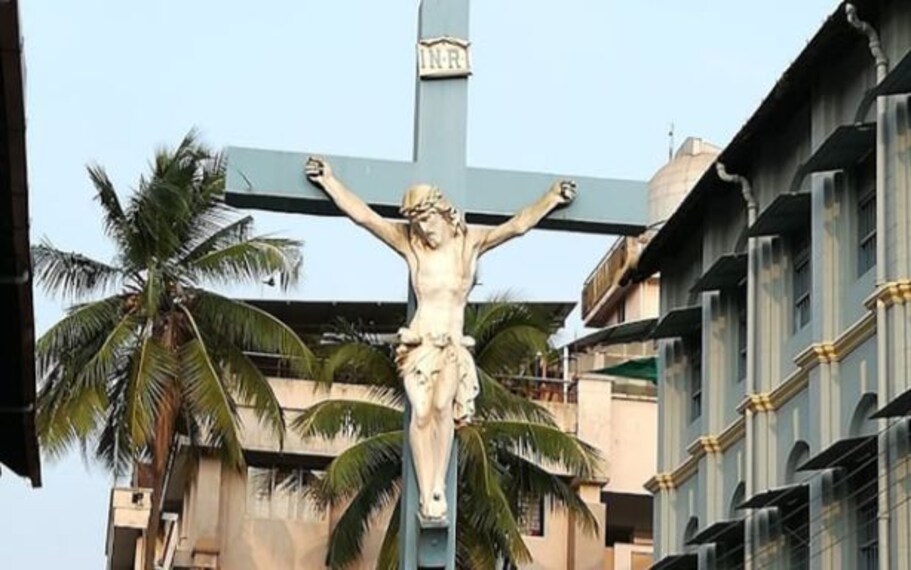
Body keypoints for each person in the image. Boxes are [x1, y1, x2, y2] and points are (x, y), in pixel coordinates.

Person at [305, 157, 576, 523]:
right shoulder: (411, 245)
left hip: (451, 346)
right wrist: (330, 182)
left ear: (444, 214)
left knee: (442, 410)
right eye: (417, 223)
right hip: (418, 346)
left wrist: (551, 199)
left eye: (427, 220)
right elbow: (366, 217)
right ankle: (427, 488)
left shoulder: (470, 243)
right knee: (420, 413)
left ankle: (436, 489)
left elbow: (517, 226)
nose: (425, 230)